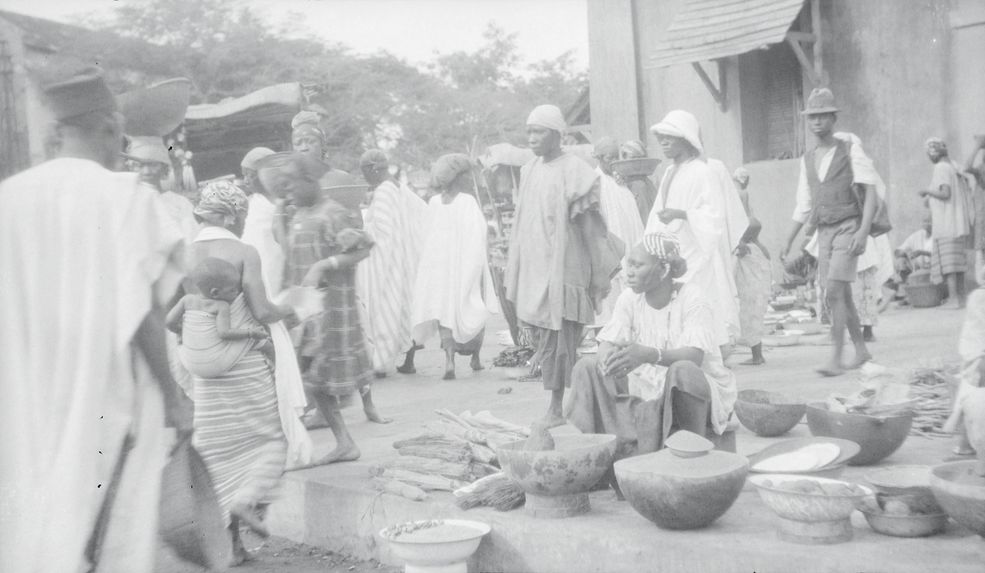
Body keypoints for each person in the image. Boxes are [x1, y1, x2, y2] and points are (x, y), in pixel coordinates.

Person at [0, 70, 190, 573]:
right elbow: (145, 314)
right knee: (113, 526)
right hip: (105, 395)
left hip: (24, 395)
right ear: (109, 126)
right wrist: (174, 399)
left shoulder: (9, 200)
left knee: (34, 517)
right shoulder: (123, 196)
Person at [185, 180, 311, 563]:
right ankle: (247, 502)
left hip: (205, 374)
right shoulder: (243, 251)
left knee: (216, 456)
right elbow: (262, 311)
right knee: (269, 442)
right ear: (232, 215)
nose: (243, 223)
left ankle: (233, 548)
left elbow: (179, 316)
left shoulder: (184, 253)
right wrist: (296, 306)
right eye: (240, 216)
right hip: (244, 364)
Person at [565, 233, 737, 463]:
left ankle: (688, 456)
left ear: (663, 269)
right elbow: (608, 340)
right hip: (646, 385)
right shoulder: (629, 299)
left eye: (638, 265)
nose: (629, 272)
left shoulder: (693, 298)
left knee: (683, 370)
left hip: (691, 389)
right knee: (587, 367)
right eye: (629, 265)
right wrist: (607, 357)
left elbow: (694, 356)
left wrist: (647, 355)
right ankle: (599, 459)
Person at [262, 153, 390, 461]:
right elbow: (288, 249)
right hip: (305, 309)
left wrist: (325, 264)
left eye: (291, 186)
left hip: (332, 311)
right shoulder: (298, 214)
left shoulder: (333, 213)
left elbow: (362, 249)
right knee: (309, 379)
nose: (288, 193)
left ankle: (345, 442)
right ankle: (343, 442)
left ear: (310, 181)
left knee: (315, 378)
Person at [504, 104, 620, 426]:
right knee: (544, 337)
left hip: (565, 266)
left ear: (557, 135)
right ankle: (565, 402)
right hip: (536, 268)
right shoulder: (529, 171)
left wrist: (598, 271)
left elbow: (590, 228)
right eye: (528, 131)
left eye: (538, 131)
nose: (531, 138)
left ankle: (557, 407)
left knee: (561, 337)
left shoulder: (576, 171)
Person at [780, 88, 877, 376]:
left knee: (834, 289)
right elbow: (804, 205)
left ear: (833, 119)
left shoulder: (849, 149)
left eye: (823, 116)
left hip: (848, 225)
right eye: (812, 118)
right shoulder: (807, 159)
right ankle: (861, 350)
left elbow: (870, 192)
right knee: (841, 293)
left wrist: (862, 231)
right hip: (824, 231)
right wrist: (788, 239)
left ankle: (836, 358)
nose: (817, 122)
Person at [646, 110, 739, 350]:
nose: (664, 143)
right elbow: (658, 211)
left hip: (697, 252)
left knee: (699, 303)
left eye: (670, 137)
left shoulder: (702, 171)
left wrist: (682, 214)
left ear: (685, 139)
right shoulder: (668, 173)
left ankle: (706, 355)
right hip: (672, 251)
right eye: (661, 138)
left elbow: (714, 215)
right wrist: (650, 243)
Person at [408, 153, 499, 379]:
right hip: (464, 267)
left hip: (440, 270)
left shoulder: (434, 203)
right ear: (460, 177)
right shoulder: (467, 202)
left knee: (444, 313)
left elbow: (425, 237)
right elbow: (477, 235)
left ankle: (449, 360)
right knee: (471, 306)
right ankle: (475, 358)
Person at [355, 149, 426, 377]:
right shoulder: (399, 186)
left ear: (373, 169)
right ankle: (408, 361)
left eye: (364, 171)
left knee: (383, 308)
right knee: (404, 307)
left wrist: (362, 234)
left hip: (388, 260)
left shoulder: (384, 191)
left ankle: (380, 363)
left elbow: (383, 232)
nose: (364, 177)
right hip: (404, 257)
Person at [166, 257, 274, 376]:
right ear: (215, 293)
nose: (238, 293)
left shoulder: (186, 300)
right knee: (264, 343)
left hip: (190, 363)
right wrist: (251, 332)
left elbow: (169, 322)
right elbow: (224, 333)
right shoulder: (221, 306)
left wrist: (181, 332)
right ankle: (277, 369)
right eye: (233, 290)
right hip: (215, 365)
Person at [592, 137, 644, 326]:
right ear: (598, 158)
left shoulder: (619, 182)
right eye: (609, 158)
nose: (613, 162)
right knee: (610, 301)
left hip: (627, 245)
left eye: (616, 157)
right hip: (608, 250)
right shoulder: (595, 182)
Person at [922, 137, 972, 309]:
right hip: (957, 221)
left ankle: (953, 299)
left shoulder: (941, 168)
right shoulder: (953, 166)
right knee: (958, 262)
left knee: (950, 263)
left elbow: (945, 194)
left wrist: (927, 191)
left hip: (946, 222)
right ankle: (962, 298)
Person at [731, 167, 772, 365]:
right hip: (749, 253)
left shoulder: (739, 196)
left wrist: (740, 243)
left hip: (746, 256)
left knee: (748, 304)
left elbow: (743, 227)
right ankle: (756, 353)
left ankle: (757, 354)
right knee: (751, 304)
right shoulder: (743, 197)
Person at [240, 146, 285, 296]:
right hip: (253, 261)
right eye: (243, 175)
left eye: (250, 175)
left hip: (276, 259)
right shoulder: (252, 202)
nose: (245, 181)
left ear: (266, 175)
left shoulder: (284, 201)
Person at [617, 139, 658, 222]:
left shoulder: (646, 182)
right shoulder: (622, 180)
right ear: (624, 158)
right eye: (633, 158)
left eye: (640, 158)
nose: (637, 161)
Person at [962, 134, 985, 255]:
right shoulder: (981, 169)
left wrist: (978, 145)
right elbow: (966, 167)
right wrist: (977, 146)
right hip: (981, 225)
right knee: (980, 263)